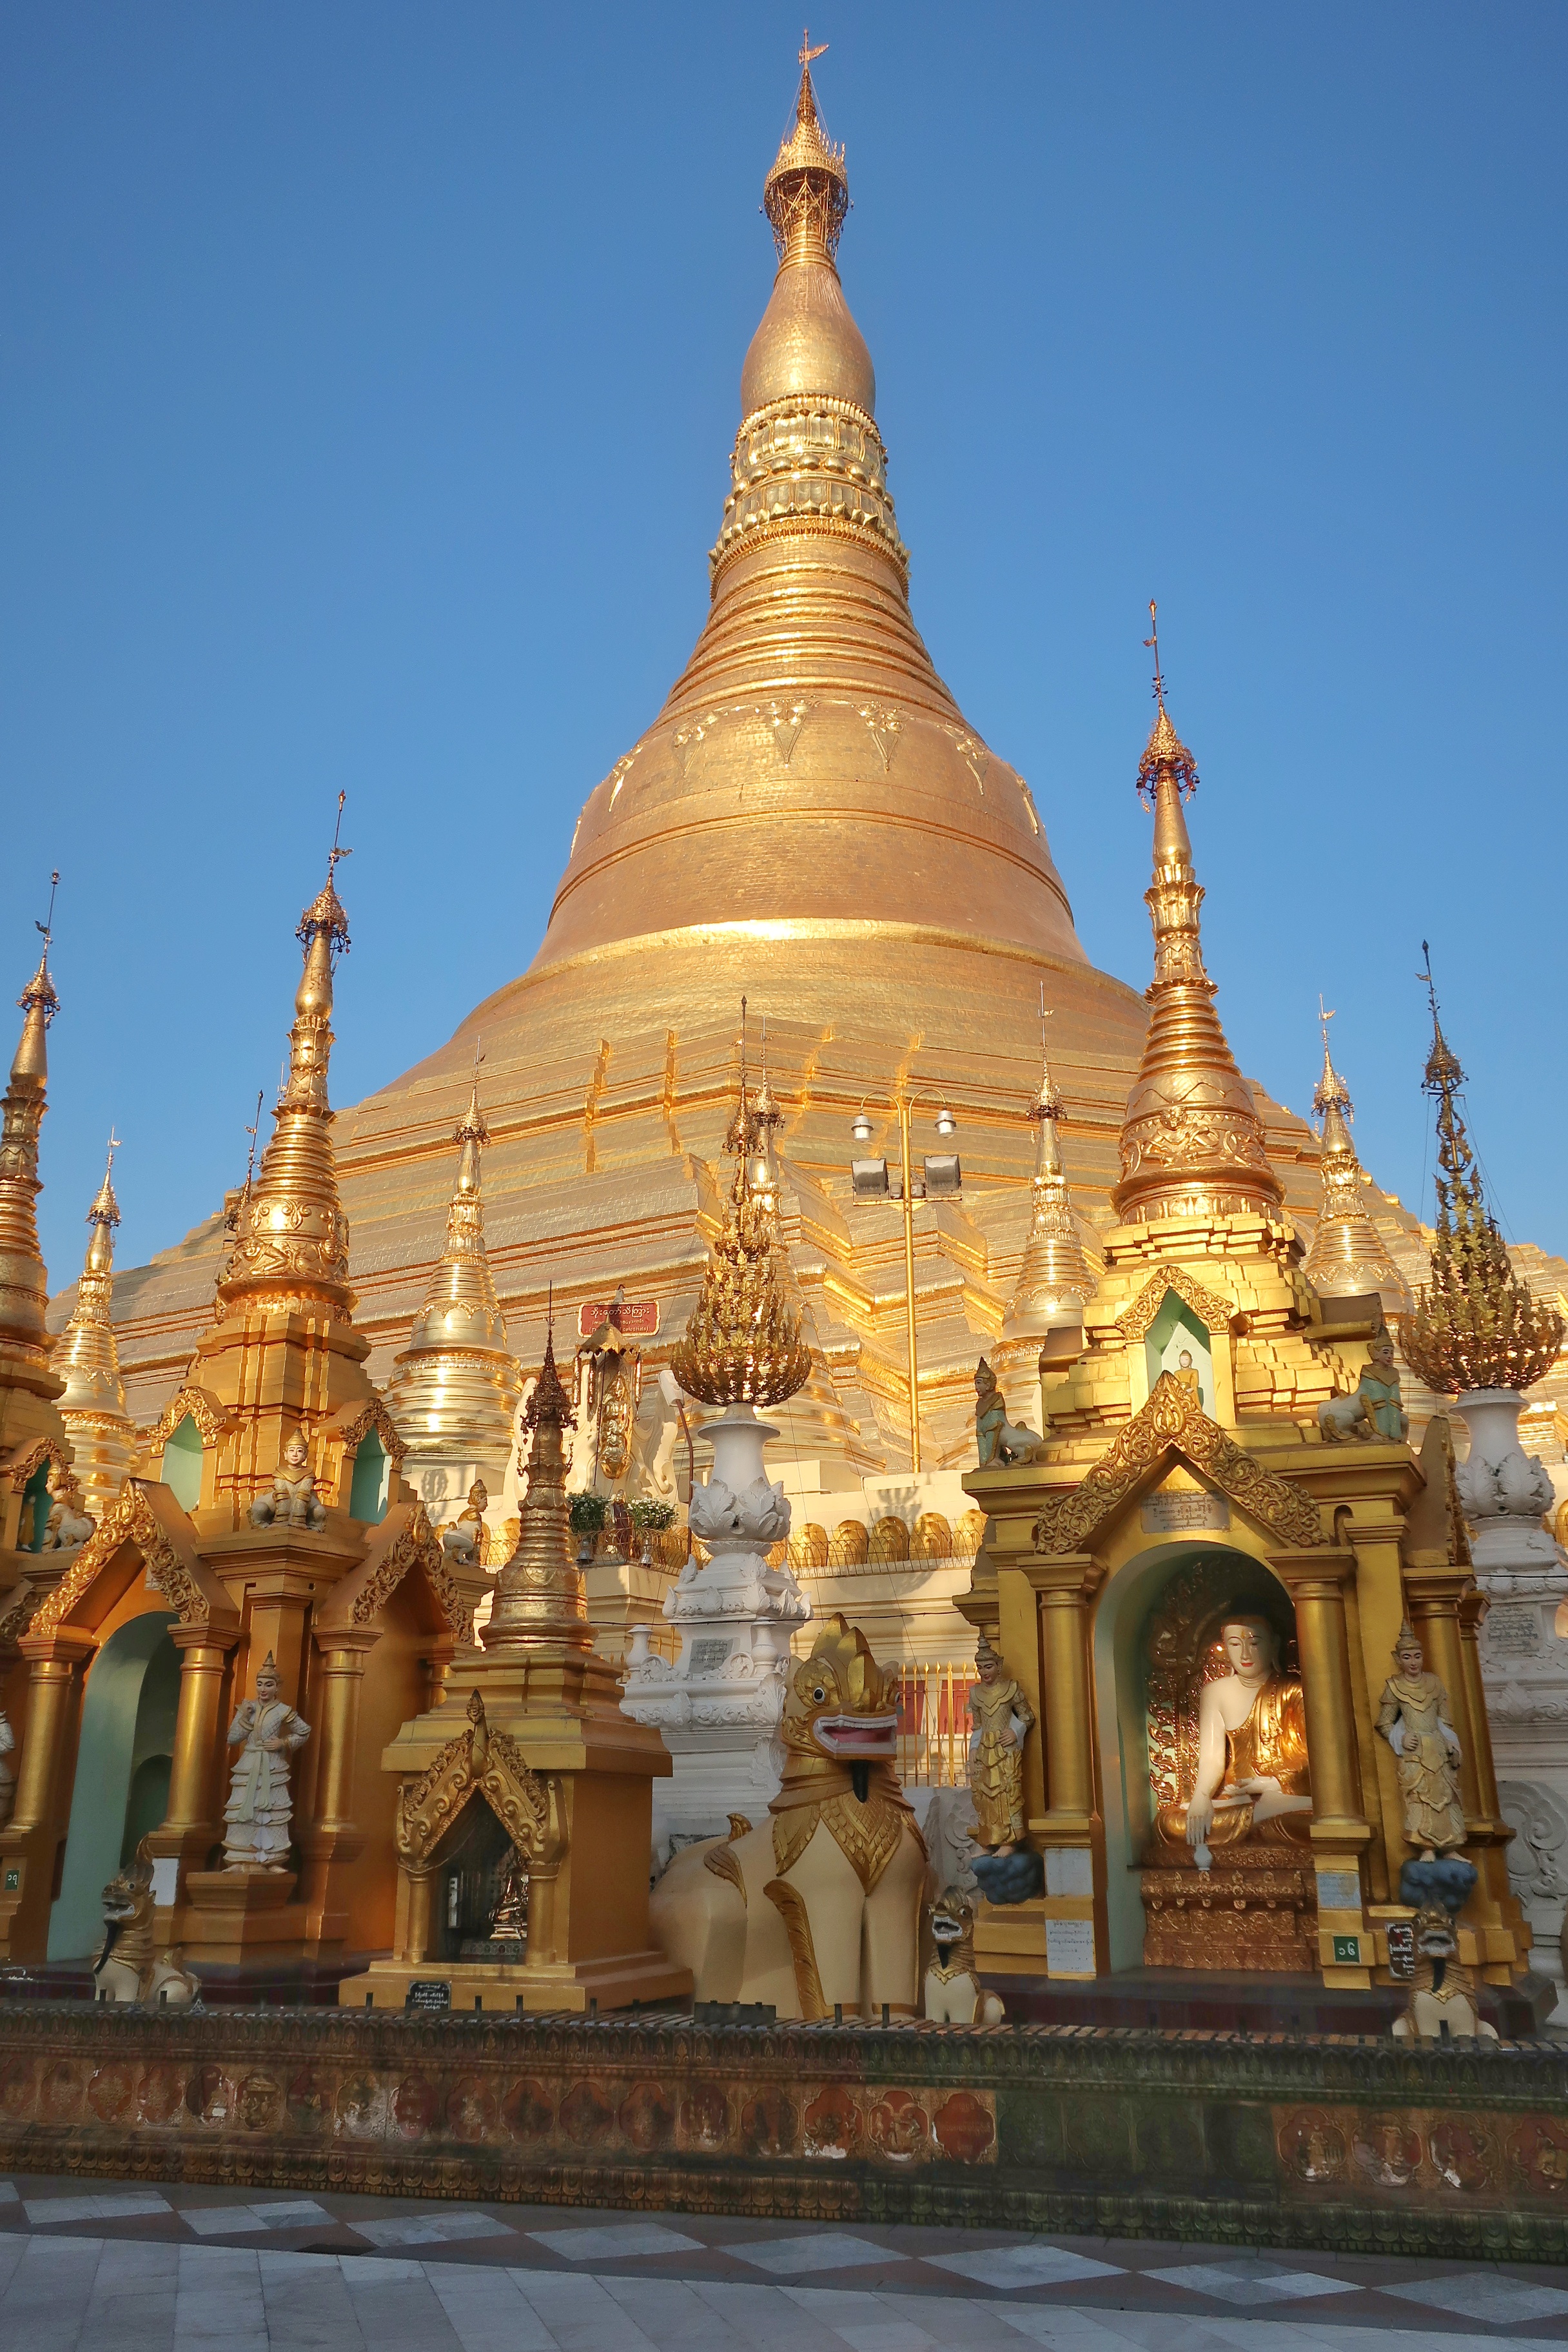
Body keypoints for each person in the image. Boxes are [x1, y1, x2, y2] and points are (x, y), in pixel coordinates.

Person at [1157, 1614, 1313, 1864]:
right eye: (1235, 1644)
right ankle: (1259, 1819)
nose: (1245, 1655)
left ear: (1274, 1644)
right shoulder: (1215, 1692)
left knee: (1315, 1823)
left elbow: (1315, 1755)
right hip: (1236, 1800)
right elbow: (1211, 1760)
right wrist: (1201, 1798)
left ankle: (1263, 1815)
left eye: (1255, 1643)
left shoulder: (1296, 1690)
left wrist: (1274, 1783)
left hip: (1285, 1799)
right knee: (1169, 1824)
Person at [1377, 1622, 1467, 1859]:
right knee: (1419, 1799)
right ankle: (1426, 1846)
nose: (1413, 1662)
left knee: (1446, 1798)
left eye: (1417, 1656)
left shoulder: (1435, 1683)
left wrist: (1450, 1742)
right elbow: (1384, 1723)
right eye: (1407, 1657)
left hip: (1438, 1747)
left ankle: (1450, 1847)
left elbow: (1444, 1721)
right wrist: (1402, 1738)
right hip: (1415, 1752)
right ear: (1398, 1659)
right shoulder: (1394, 1687)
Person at [222, 1653, 310, 1870]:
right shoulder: (247, 1708)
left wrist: (283, 1743)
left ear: (277, 1687)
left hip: (272, 1766)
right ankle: (240, 1858)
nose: (263, 1689)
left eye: (269, 1685)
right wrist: (245, 1718)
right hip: (250, 1762)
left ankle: (272, 1859)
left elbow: (304, 1731)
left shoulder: (283, 1711)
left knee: (272, 1812)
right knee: (244, 1810)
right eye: (260, 1684)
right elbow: (232, 1739)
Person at [968, 1634, 1034, 1854]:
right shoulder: (975, 1694)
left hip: (1005, 1751)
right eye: (980, 1668)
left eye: (989, 1667)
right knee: (985, 1795)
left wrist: (1015, 1732)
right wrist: (973, 1749)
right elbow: (978, 1725)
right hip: (985, 1750)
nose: (984, 1672)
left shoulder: (1011, 1689)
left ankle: (1009, 1842)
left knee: (1006, 1793)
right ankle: (988, 1840)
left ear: (999, 1666)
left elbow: (1027, 1716)